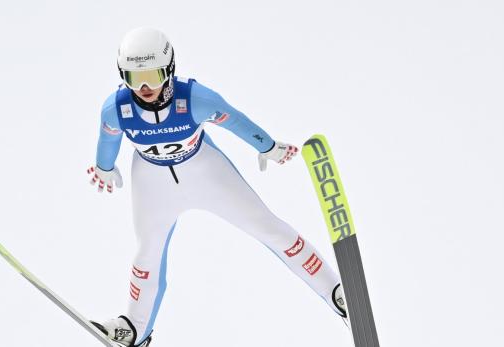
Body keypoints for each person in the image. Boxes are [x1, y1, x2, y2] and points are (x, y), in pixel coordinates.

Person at [88, 27, 347, 347]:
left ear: (169, 69)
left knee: (268, 227)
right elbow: (108, 136)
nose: (144, 87)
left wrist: (267, 146)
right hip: (152, 182)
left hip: (204, 172)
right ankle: (134, 328)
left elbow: (235, 120)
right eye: (133, 77)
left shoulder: (195, 99)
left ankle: (335, 291)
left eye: (153, 76)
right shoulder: (116, 108)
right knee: (146, 254)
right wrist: (104, 166)